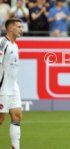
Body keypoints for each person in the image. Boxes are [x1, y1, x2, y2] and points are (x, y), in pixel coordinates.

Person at [0, 18, 23, 149]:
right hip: (2, 88)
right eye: (18, 27)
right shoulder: (3, 43)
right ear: (10, 28)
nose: (21, 29)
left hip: (13, 87)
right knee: (1, 119)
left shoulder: (15, 45)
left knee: (17, 116)